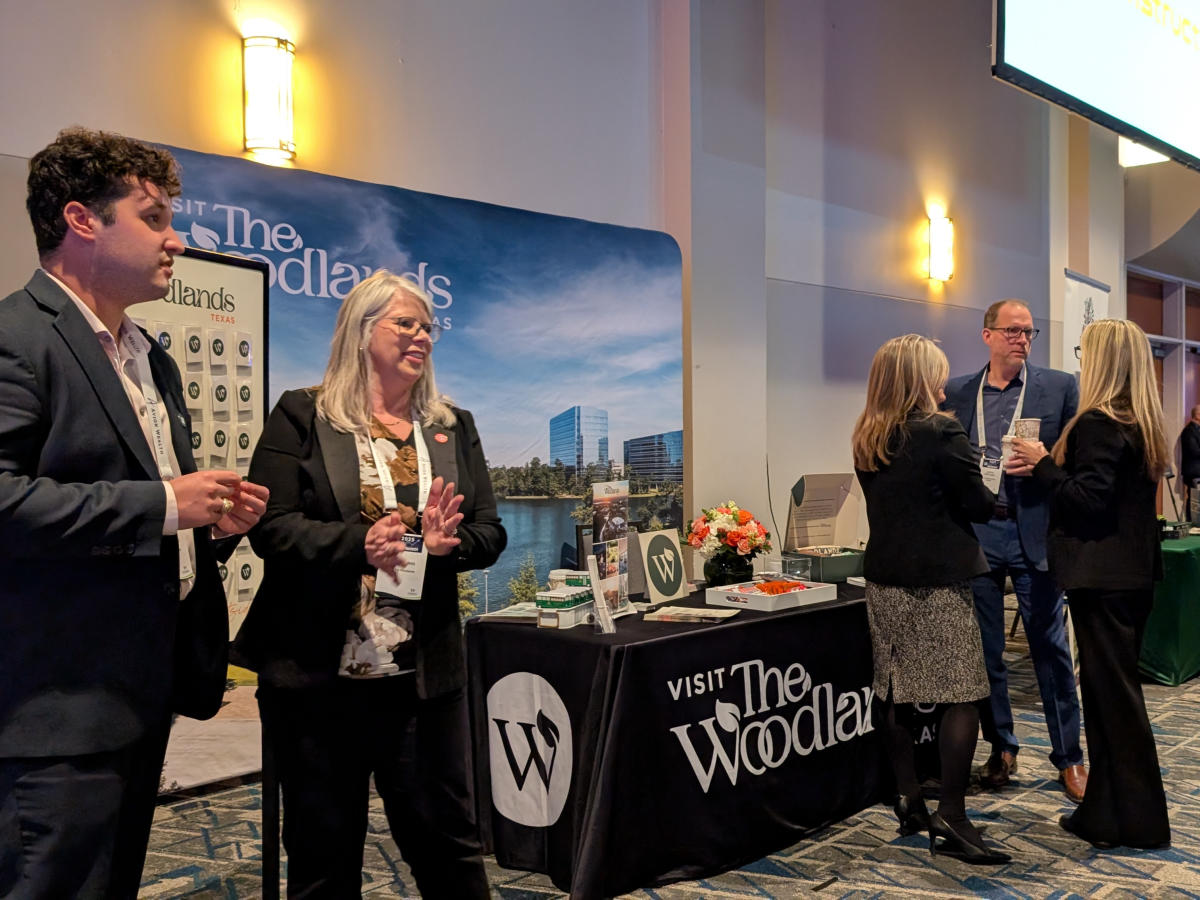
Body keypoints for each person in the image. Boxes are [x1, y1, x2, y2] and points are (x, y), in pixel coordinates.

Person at [0, 127, 268, 898]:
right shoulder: (17, 339)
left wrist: (207, 526)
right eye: (153, 217)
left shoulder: (149, 356)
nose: (175, 239)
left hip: (137, 698)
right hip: (53, 713)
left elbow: (144, 522)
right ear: (82, 220)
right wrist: (160, 504)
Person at [231, 269, 506, 897]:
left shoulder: (452, 425)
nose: (421, 337)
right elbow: (271, 527)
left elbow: (490, 532)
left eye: (428, 327)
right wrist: (362, 544)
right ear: (362, 331)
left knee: (449, 851)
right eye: (405, 324)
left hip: (422, 679)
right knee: (323, 857)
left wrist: (445, 546)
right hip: (318, 679)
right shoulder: (304, 414)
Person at [1009, 319, 1171, 850]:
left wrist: (1041, 466)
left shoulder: (1100, 421)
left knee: (1115, 703)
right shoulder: (1141, 419)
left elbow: (1088, 498)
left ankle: (1142, 822)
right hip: (1129, 575)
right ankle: (1105, 814)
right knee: (1108, 701)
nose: (1080, 359)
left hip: (1101, 577)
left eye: (1085, 351)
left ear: (1103, 359)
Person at [853, 334, 1010, 865]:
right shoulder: (943, 430)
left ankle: (910, 799)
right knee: (963, 694)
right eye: (937, 373)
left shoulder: (867, 434)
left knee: (894, 689)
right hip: (937, 583)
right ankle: (955, 816)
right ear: (918, 379)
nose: (944, 383)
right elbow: (979, 505)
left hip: (883, 581)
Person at [942, 299, 1086, 803]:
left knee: (1050, 649)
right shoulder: (957, 391)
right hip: (979, 533)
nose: (1022, 339)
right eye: (1012, 331)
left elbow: (1076, 464)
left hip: (1034, 535)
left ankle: (1070, 758)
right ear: (987, 335)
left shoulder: (1059, 388)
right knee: (986, 653)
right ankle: (1002, 747)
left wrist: (1047, 461)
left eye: (1029, 332)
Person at [1178, 406, 1200, 522]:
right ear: (1197, 415)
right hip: (1193, 471)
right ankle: (1192, 524)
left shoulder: (1197, 429)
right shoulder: (1189, 431)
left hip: (1196, 470)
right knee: (1193, 501)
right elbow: (1194, 451)